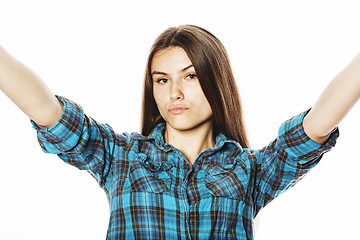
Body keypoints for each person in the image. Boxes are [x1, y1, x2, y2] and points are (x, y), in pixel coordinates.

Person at [0, 24, 358, 240]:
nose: (174, 93)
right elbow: (48, 111)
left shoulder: (249, 172)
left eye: (190, 76)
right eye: (162, 80)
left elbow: (316, 125)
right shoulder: (121, 158)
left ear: (216, 81)